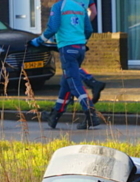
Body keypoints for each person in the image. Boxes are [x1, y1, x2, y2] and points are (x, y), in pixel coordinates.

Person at [30, 0, 101, 129]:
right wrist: (81, 41)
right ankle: (55, 114)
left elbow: (53, 27)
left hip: (67, 49)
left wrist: (38, 40)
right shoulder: (80, 7)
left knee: (74, 83)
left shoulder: (59, 6)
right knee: (67, 82)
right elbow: (88, 29)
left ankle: (91, 115)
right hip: (80, 48)